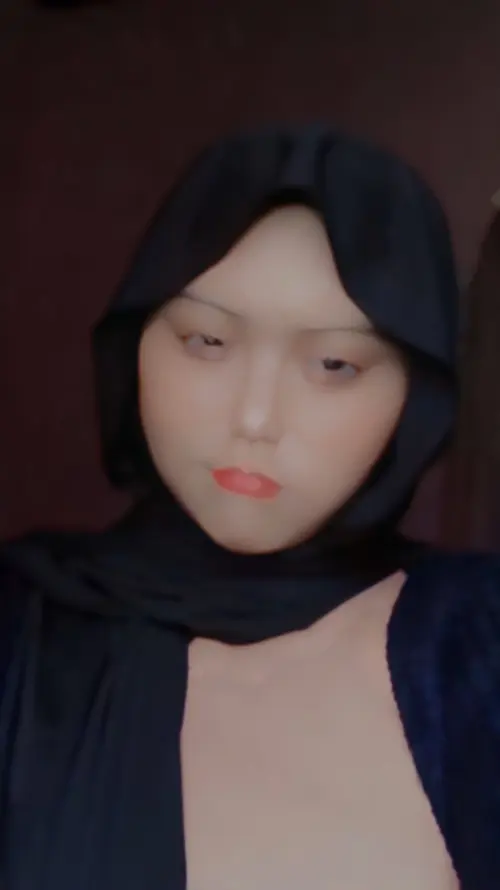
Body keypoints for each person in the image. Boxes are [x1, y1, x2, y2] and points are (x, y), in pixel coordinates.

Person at [0, 123, 498, 890]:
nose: (256, 418)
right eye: (206, 341)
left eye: (334, 363)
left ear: (416, 396)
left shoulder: (476, 645)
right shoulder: (20, 625)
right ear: (135, 344)